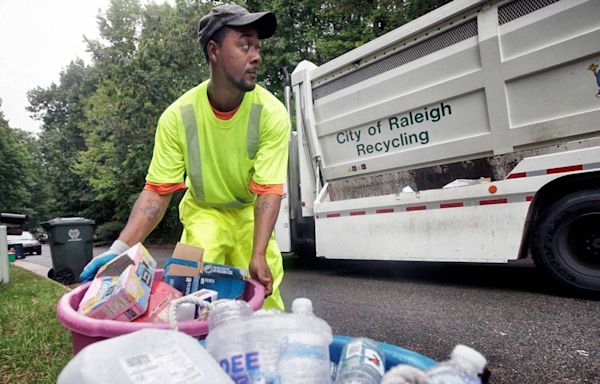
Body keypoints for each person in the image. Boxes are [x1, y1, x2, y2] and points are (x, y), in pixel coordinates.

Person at [80, 3, 290, 310]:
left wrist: (258, 253)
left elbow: (269, 191)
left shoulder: (271, 113)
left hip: (250, 215)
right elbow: (156, 193)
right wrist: (121, 248)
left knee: (264, 301)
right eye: (244, 45)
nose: (256, 55)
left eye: (257, 47)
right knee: (188, 294)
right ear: (214, 51)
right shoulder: (178, 116)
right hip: (204, 213)